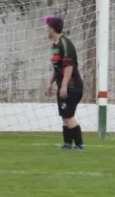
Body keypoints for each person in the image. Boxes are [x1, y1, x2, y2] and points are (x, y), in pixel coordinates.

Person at [44, 15, 84, 150]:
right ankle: (67, 143)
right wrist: (50, 82)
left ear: (52, 29)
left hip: (72, 85)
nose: (47, 30)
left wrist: (65, 86)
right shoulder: (55, 45)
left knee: (68, 116)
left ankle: (79, 145)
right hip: (64, 84)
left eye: (48, 28)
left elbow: (68, 66)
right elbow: (58, 68)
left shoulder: (65, 44)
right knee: (64, 115)